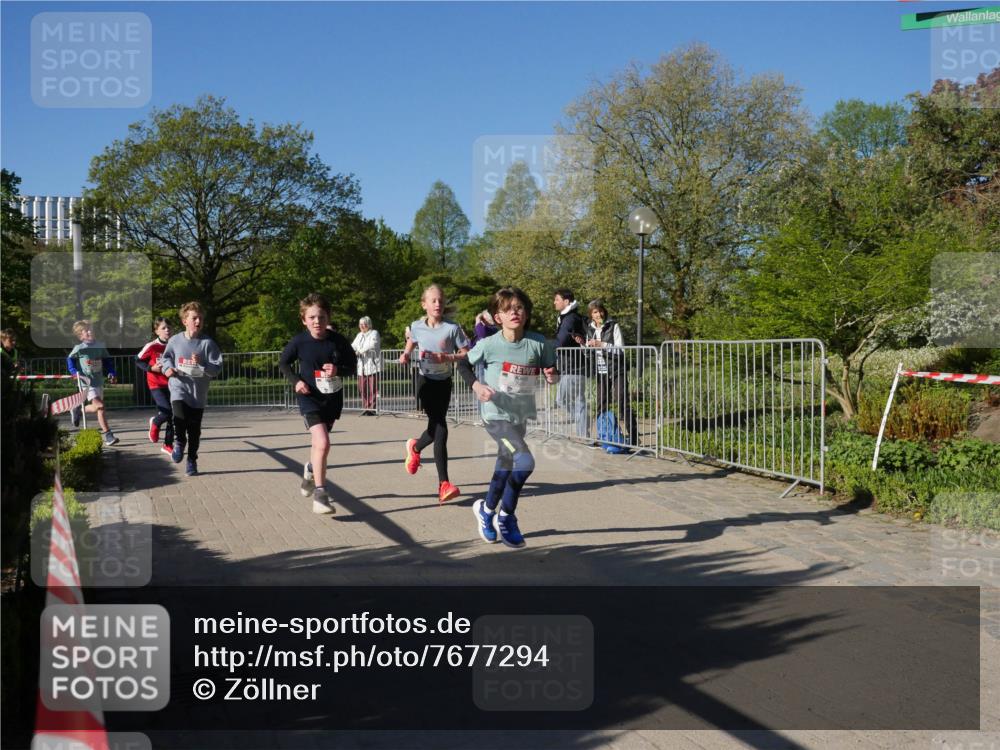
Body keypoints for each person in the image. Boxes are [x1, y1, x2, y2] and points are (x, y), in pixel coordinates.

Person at [459, 287, 559, 549]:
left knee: (504, 466)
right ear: (498, 317)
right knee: (524, 461)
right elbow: (463, 364)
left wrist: (552, 376)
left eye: (519, 308)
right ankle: (507, 517)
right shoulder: (489, 344)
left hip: (520, 416)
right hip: (495, 415)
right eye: (507, 309)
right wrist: (477, 386)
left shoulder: (539, 343)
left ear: (526, 314)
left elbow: (552, 370)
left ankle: (486, 510)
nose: (514, 312)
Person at [280, 293, 357, 514]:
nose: (317, 322)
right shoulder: (299, 341)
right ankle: (321, 495)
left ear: (328, 317)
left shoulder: (338, 341)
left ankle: (310, 471)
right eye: (312, 317)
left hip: (331, 400)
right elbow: (284, 363)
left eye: (321, 317)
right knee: (323, 443)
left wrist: (338, 370)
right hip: (309, 399)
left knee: (319, 447)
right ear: (304, 319)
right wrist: (296, 382)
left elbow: (352, 366)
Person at [399, 283, 469, 504]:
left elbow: (466, 353)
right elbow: (412, 339)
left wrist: (447, 358)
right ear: (424, 304)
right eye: (433, 300)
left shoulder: (452, 328)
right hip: (425, 382)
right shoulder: (417, 326)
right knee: (440, 427)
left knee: (434, 427)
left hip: (444, 382)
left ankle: (415, 446)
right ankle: (444, 484)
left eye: (441, 300)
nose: (438, 304)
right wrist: (406, 354)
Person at [160, 302, 223, 477]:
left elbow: (217, 367)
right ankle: (179, 442)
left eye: (200, 318)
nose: (198, 321)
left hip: (198, 393)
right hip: (179, 388)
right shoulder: (175, 340)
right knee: (179, 419)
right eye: (194, 318)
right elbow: (166, 359)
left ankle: (192, 460)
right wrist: (167, 369)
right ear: (184, 321)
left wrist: (202, 364)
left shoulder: (207, 344)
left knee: (194, 431)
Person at [586, 300, 638, 446]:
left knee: (621, 400)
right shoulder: (589, 329)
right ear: (591, 315)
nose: (598, 314)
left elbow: (620, 349)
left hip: (616, 369)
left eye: (600, 311)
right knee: (601, 402)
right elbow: (588, 354)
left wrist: (601, 344)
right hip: (600, 370)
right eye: (595, 312)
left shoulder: (613, 326)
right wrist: (584, 346)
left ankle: (633, 436)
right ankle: (603, 435)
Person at [66, 320, 120, 446]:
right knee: (100, 406)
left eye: (91, 329)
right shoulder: (79, 348)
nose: (90, 332)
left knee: (99, 409)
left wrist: (111, 372)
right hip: (86, 382)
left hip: (98, 381)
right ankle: (108, 434)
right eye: (86, 330)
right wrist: (74, 372)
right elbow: (70, 360)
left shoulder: (100, 345)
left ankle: (78, 409)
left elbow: (107, 361)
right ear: (80, 335)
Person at [553, 288, 590, 440]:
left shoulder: (569, 319)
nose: (554, 302)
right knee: (577, 399)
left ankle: (584, 429)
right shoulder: (568, 317)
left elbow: (560, 341)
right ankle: (583, 432)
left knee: (563, 400)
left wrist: (544, 346)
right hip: (573, 365)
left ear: (566, 301)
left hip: (573, 366)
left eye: (557, 299)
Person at [135, 317, 175, 456]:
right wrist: (152, 368)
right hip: (156, 384)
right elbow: (138, 361)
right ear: (156, 331)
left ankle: (168, 445)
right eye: (163, 328)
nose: (167, 330)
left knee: (174, 416)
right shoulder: (152, 346)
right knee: (167, 412)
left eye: (169, 327)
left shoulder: (175, 344)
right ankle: (156, 422)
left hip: (172, 384)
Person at [352, 316, 381, 416]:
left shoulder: (374, 333)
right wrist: (352, 351)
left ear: (369, 324)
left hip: (372, 365)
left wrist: (360, 351)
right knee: (362, 388)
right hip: (362, 367)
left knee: (373, 388)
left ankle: (372, 408)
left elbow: (372, 344)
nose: (362, 326)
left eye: (364, 324)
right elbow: (353, 345)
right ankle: (365, 407)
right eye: (360, 324)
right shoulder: (359, 335)